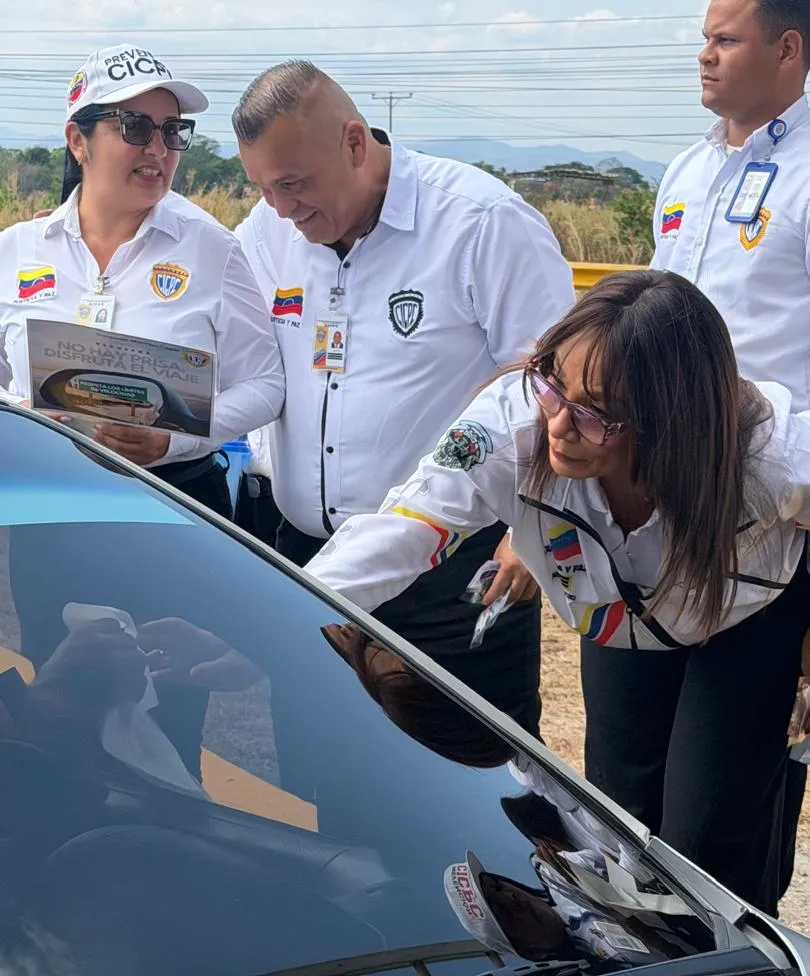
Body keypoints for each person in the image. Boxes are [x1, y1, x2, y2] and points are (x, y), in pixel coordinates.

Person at [305, 270, 810, 915]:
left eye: (597, 412)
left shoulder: (775, 459)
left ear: (673, 422)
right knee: (619, 819)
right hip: (619, 613)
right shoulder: (509, 425)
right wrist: (289, 609)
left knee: (708, 836)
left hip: (746, 617)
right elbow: (400, 532)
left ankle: (738, 957)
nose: (560, 425)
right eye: (551, 383)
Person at [229, 59, 575, 735]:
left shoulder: (481, 222)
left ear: (354, 143)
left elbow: (550, 386)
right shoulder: (268, 232)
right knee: (317, 765)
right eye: (264, 189)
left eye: (293, 184)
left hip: (453, 573)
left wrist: (533, 532)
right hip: (313, 563)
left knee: (469, 767)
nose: (281, 209)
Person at [645, 0, 810, 900]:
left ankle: (734, 975)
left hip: (766, 531)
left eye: (724, 39)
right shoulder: (686, 170)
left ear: (788, 49)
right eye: (703, 39)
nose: (703, 56)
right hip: (653, 517)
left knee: (712, 823)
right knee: (621, 787)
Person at [0, 42, 285, 518]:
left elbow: (265, 384)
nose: (158, 148)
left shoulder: (213, 250)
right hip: (42, 498)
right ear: (77, 141)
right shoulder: (15, 250)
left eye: (172, 130)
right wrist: (24, 413)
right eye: (134, 127)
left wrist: (173, 438)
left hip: (174, 503)